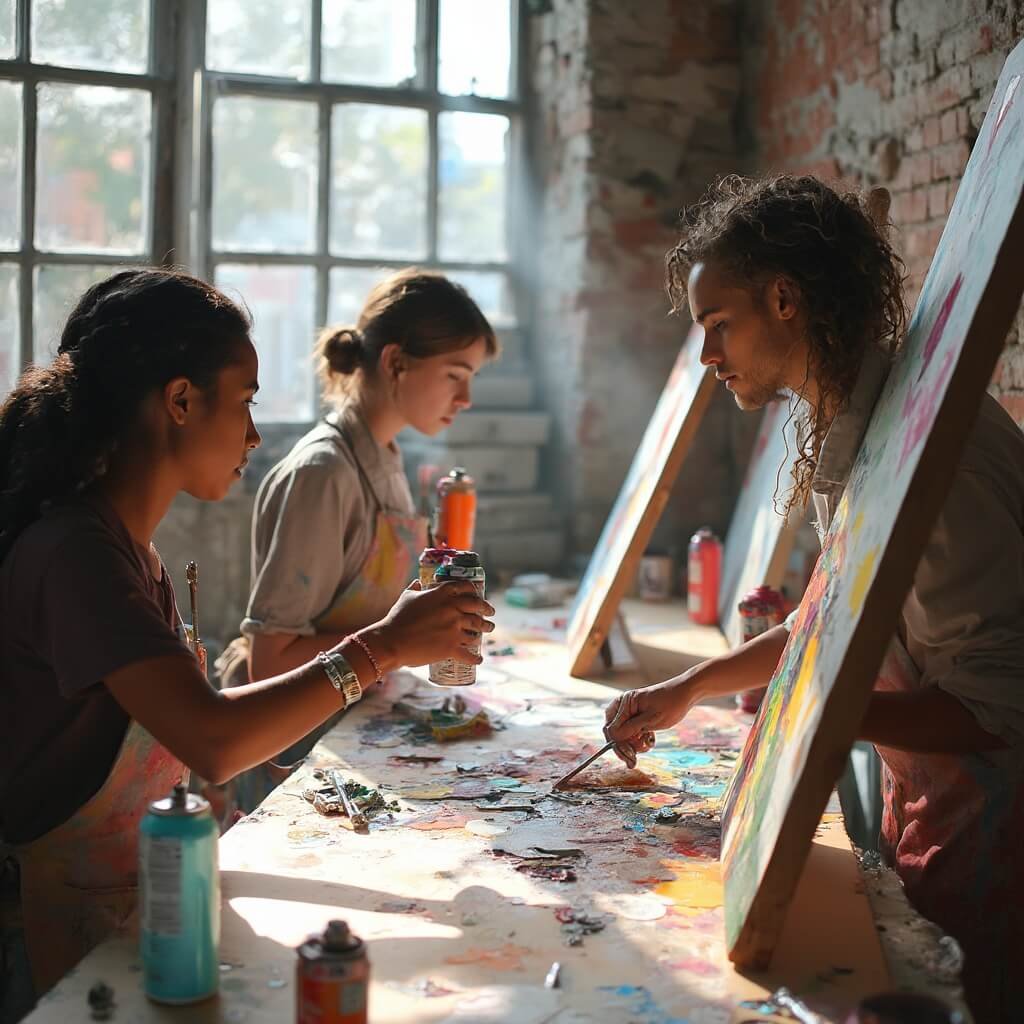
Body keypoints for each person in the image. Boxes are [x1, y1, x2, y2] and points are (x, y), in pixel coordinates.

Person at [0, 269, 493, 1021]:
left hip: (143, 895)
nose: (255, 434)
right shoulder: (77, 554)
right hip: (59, 943)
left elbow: (200, 723)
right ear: (181, 401)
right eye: (246, 403)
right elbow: (216, 738)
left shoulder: (131, 549)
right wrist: (384, 646)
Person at [603, 175, 1024, 1024]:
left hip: (1001, 836)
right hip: (942, 805)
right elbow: (835, 618)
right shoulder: (870, 428)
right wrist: (692, 688)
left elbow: (999, 707)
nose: (709, 357)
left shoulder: (936, 461)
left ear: (785, 299)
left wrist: (815, 716)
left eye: (718, 326)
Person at [216, 269, 497, 806]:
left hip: (349, 719)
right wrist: (398, 643)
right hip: (291, 747)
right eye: (455, 375)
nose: (465, 399)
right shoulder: (325, 473)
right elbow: (269, 663)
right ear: (395, 362)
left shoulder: (387, 458)